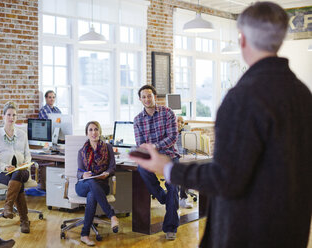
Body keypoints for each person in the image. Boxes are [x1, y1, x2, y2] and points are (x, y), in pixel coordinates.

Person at [130, 2, 312, 248]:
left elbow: (226, 177)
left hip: (249, 231)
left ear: (243, 39)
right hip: (293, 226)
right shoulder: (303, 94)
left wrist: (168, 169)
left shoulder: (243, 97)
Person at [133, 84, 180, 240]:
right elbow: (141, 143)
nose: (147, 99)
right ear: (140, 99)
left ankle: (170, 228)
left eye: (149, 96)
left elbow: (172, 138)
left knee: (172, 187)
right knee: (141, 170)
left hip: (169, 156)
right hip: (150, 157)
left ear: (155, 96)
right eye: (144, 97)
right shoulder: (138, 120)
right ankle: (164, 198)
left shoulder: (168, 113)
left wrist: (154, 146)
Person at [0, 102, 31, 233]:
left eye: (14, 115)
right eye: (8, 115)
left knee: (18, 174)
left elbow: (28, 155)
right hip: (3, 172)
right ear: (3, 116)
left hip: (22, 170)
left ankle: (7, 206)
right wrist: (4, 166)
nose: (11, 118)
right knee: (17, 183)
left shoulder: (22, 134)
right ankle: (24, 220)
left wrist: (25, 164)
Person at [76, 121, 119, 246]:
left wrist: (107, 173)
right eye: (90, 130)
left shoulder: (108, 148)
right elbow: (78, 172)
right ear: (87, 133)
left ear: (100, 132)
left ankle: (84, 235)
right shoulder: (82, 151)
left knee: (92, 195)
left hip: (102, 185)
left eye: (96, 129)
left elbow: (113, 168)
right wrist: (83, 175)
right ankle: (112, 215)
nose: (93, 132)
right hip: (82, 185)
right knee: (90, 180)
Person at [175, 116, 193, 209]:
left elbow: (190, 149)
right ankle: (180, 197)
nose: (180, 124)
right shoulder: (170, 133)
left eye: (182, 122)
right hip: (173, 158)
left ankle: (183, 199)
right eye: (178, 121)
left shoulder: (186, 134)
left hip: (184, 158)